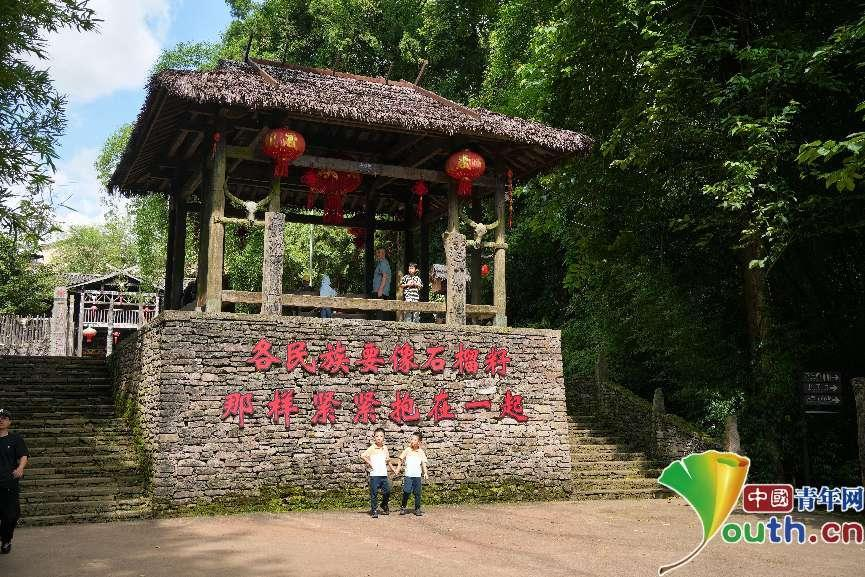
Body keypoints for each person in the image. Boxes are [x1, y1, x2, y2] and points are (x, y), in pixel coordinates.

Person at [0, 409, 28, 554]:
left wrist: (20, 468)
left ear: (9, 421)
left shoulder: (15, 439)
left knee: (11, 515)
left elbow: (23, 455)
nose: (1, 420)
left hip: (9, 482)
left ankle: (6, 540)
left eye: (4, 418)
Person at [393, 431, 429, 516]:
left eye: (415, 440)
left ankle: (417, 508)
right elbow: (400, 459)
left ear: (419, 442)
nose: (412, 441)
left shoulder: (421, 452)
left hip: (417, 476)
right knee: (406, 491)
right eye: (412, 439)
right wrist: (398, 468)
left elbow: (423, 463)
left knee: (417, 493)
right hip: (408, 475)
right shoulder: (407, 450)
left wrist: (425, 473)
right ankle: (403, 507)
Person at [360, 427, 391, 518]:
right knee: (374, 493)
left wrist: (390, 467)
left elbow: (387, 459)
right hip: (374, 475)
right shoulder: (372, 448)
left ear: (384, 437)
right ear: (374, 437)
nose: (379, 438)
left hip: (383, 474)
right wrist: (370, 463)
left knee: (387, 491)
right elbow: (363, 456)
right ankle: (374, 510)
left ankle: (384, 504)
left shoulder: (385, 448)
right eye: (377, 436)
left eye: (381, 436)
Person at [371, 248, 392, 320]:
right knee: (381, 311)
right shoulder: (381, 263)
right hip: (380, 291)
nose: (377, 254)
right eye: (377, 252)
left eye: (379, 252)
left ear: (383, 254)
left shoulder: (383, 263)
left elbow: (384, 276)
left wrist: (380, 290)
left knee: (380, 312)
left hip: (380, 292)